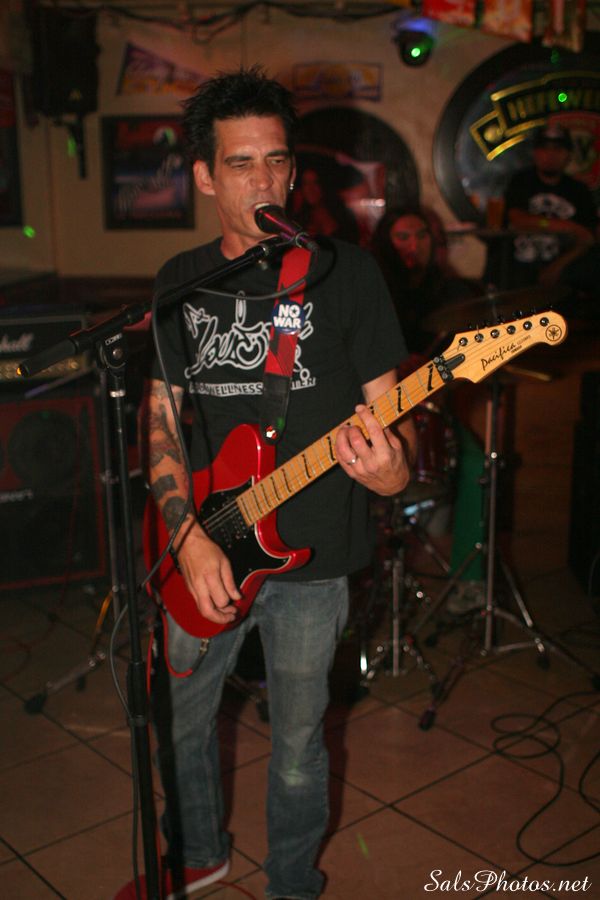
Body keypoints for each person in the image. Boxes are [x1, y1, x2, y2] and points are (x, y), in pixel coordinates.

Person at [115, 66, 415, 900]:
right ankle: (198, 854)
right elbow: (161, 420)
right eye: (241, 163)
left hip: (311, 557)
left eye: (277, 160)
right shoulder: (180, 280)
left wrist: (391, 470)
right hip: (199, 542)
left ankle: (292, 885)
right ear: (206, 176)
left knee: (296, 752)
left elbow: (392, 431)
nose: (264, 181)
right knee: (179, 725)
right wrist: (185, 534)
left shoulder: (345, 275)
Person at [499, 122, 598, 290]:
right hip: (520, 274)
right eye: (544, 149)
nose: (550, 155)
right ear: (535, 153)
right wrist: (566, 226)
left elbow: (588, 238)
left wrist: (557, 267)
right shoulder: (521, 182)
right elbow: (518, 220)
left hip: (565, 277)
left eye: (557, 150)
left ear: (568, 155)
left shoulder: (579, 191)